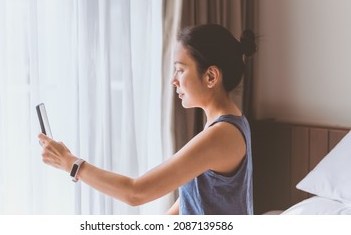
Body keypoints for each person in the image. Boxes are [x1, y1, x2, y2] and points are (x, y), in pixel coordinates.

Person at [38, 24, 257, 215]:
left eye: (180, 70)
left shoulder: (221, 135)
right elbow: (195, 197)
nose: (173, 80)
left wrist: (71, 164)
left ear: (210, 76)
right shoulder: (227, 124)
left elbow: (136, 192)